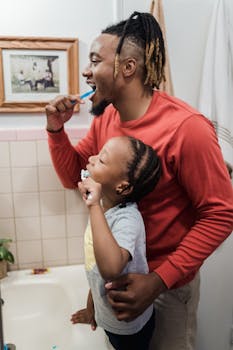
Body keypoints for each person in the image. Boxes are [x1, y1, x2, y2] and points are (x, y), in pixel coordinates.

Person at [45, 11, 233, 350]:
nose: (86, 71)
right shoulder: (107, 119)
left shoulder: (187, 129)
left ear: (127, 68)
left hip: (168, 288)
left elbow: (220, 215)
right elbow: (75, 176)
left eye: (95, 60)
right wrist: (56, 130)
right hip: (118, 280)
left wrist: (158, 281)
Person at [70, 135, 161, 350]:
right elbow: (97, 264)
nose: (91, 158)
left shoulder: (128, 219)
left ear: (122, 187)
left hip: (129, 329)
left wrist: (93, 206)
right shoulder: (105, 208)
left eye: (101, 160)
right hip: (110, 318)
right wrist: (93, 303)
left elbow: (111, 268)